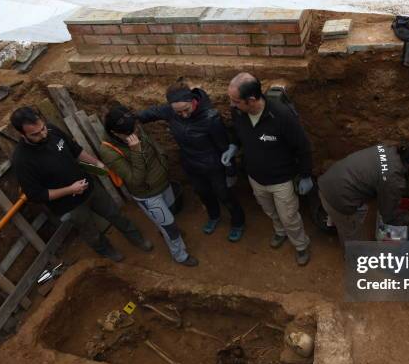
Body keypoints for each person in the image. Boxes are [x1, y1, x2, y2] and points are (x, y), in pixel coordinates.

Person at [10, 107, 152, 262]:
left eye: (42, 128)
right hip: (69, 206)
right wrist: (70, 190)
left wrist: (97, 163)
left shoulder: (52, 130)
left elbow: (76, 150)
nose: (43, 134)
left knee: (115, 214)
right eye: (35, 134)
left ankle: (137, 238)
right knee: (90, 232)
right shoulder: (21, 160)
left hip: (90, 188)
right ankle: (108, 251)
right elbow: (36, 194)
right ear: (22, 134)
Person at [137, 80, 245, 242]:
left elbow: (224, 147)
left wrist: (230, 171)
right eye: (178, 113)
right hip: (191, 165)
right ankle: (214, 216)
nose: (184, 115)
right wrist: (130, 118)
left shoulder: (211, 117)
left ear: (193, 101)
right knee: (203, 193)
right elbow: (152, 113)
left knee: (225, 195)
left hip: (214, 166)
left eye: (186, 110)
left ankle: (238, 222)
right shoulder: (171, 111)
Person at [224, 73, 313, 266]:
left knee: (289, 217)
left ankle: (300, 245)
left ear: (251, 100)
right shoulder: (239, 112)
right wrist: (233, 146)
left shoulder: (281, 116)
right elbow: (236, 132)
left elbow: (303, 146)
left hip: (281, 180)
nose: (232, 104)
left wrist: (305, 175)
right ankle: (280, 233)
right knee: (270, 212)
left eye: (236, 101)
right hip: (255, 177)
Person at [102, 105, 198, 267]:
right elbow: (134, 180)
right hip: (148, 195)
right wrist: (136, 151)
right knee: (170, 226)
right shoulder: (109, 152)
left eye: (136, 127)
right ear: (116, 133)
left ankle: (166, 231)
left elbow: (153, 145)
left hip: (163, 183)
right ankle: (180, 255)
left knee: (171, 214)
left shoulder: (134, 127)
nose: (136, 133)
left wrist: (163, 159)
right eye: (131, 132)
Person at [318, 141, 409, 247]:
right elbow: (390, 217)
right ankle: (353, 257)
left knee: (362, 210)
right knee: (352, 234)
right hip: (338, 199)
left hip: (332, 178)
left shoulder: (390, 146)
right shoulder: (394, 180)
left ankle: (335, 221)